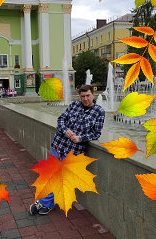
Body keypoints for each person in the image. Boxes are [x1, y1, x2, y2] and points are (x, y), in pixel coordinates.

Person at [29, 84, 105, 215]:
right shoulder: (74, 105)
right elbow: (61, 119)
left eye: (88, 96)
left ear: (93, 95)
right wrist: (65, 130)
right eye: (82, 96)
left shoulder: (99, 111)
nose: (85, 99)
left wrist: (80, 138)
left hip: (73, 151)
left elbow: (96, 133)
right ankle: (47, 203)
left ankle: (44, 203)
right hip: (58, 145)